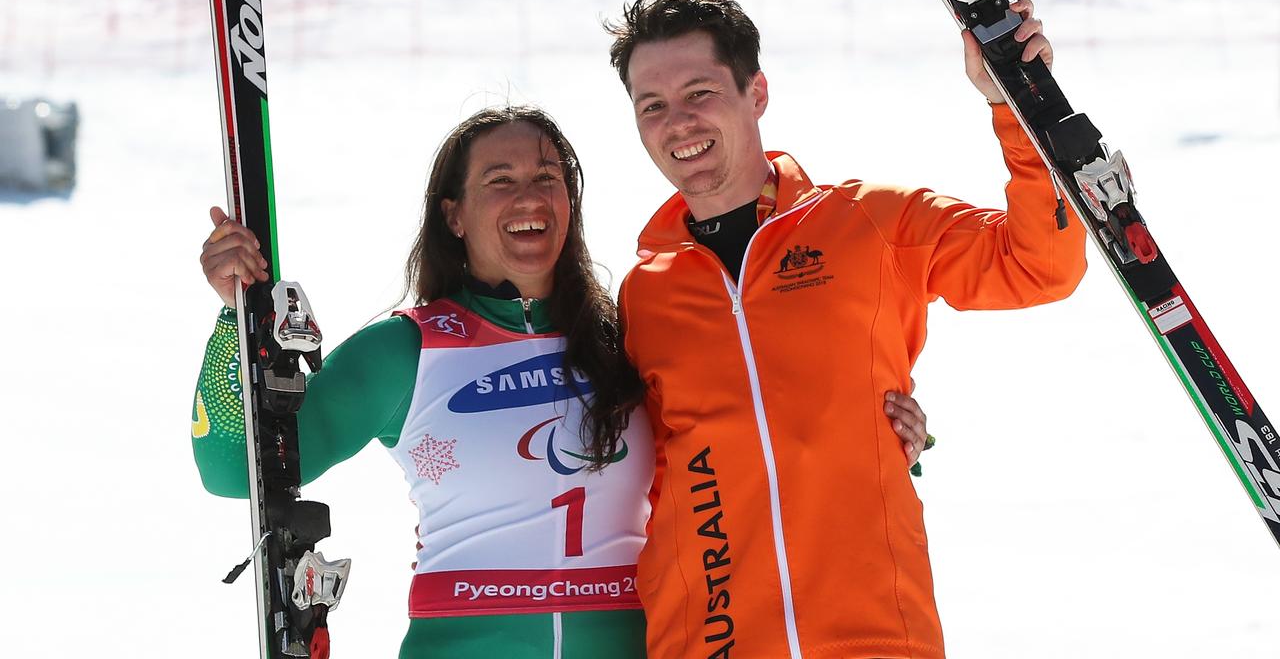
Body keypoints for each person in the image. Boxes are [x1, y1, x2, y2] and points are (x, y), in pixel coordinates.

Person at [191, 105, 933, 657]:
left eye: (547, 178)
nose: (529, 197)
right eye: (500, 180)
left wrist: (888, 429)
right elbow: (234, 471)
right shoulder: (407, 351)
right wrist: (236, 322)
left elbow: (760, 422)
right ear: (453, 215)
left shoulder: (630, 337)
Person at [604, 0, 1085, 658]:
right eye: (651, 105)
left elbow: (1038, 265)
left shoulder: (871, 224)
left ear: (757, 93)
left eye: (700, 93)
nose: (677, 122)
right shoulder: (640, 296)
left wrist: (1013, 102)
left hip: (875, 638)